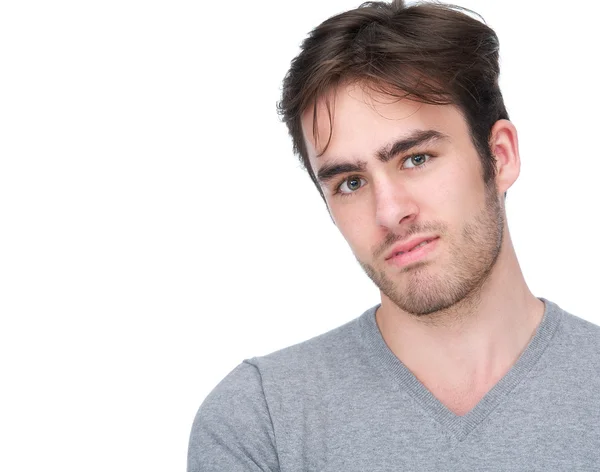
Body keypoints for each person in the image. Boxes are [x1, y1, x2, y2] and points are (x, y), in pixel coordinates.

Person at [187, 1, 600, 470]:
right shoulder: (262, 422)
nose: (389, 212)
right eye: (350, 183)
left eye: (416, 158)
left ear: (500, 157)